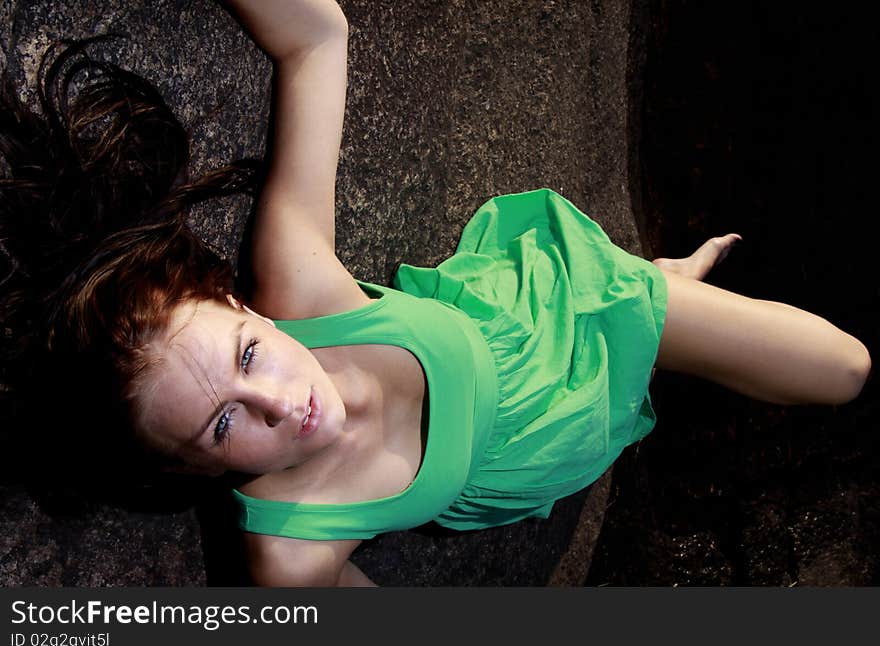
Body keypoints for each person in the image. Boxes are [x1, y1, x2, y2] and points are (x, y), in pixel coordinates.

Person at [0, 0, 870, 587]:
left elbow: (317, 39)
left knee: (847, 369)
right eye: (223, 423)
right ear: (189, 470)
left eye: (249, 354)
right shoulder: (288, 550)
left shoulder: (304, 282)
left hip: (566, 310)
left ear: (250, 312)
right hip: (545, 450)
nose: (280, 402)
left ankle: (652, 283)